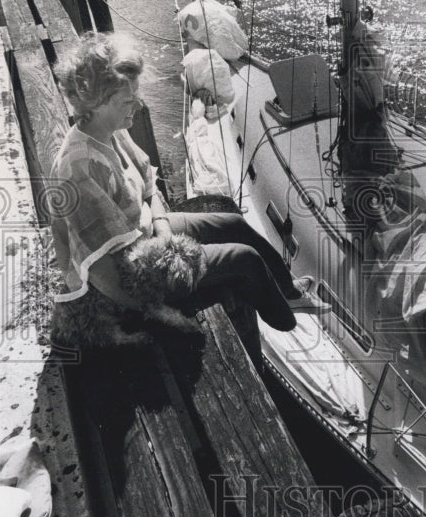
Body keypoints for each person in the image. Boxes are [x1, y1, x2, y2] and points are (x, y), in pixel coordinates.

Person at [50, 34, 329, 333]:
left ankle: (288, 290)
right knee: (245, 259)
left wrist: (162, 226)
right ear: (96, 103)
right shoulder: (78, 167)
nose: (139, 104)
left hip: (147, 236)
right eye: (128, 101)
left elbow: (147, 183)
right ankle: (285, 318)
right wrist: (155, 309)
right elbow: (102, 273)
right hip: (130, 276)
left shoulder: (109, 128)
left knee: (233, 224)